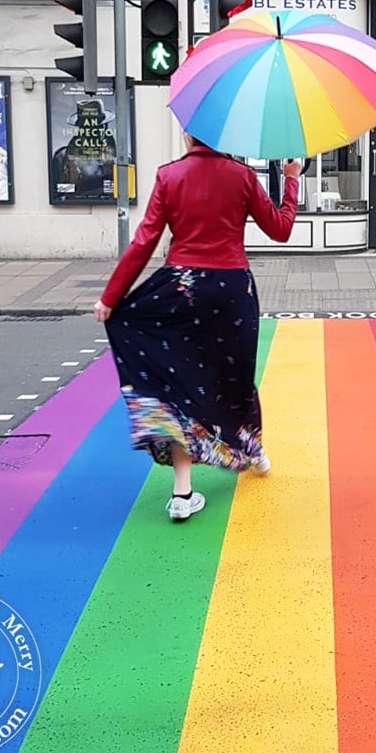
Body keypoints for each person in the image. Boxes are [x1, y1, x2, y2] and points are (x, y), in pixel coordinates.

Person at [94, 134, 301, 522]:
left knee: (178, 383)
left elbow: (144, 242)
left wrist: (110, 298)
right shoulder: (241, 176)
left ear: (188, 134)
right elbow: (281, 230)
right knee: (233, 378)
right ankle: (252, 450)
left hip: (181, 290)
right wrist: (291, 179)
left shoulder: (169, 176)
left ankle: (182, 492)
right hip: (231, 292)